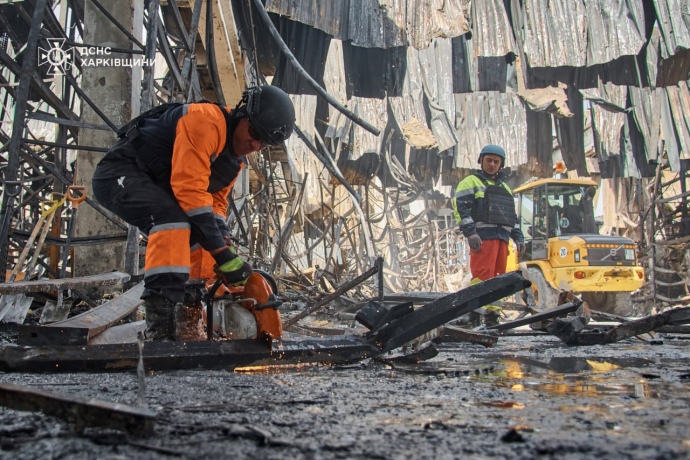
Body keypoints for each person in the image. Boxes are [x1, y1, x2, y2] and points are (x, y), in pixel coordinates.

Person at [92, 85, 295, 340]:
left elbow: (215, 203)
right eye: (254, 133)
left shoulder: (235, 162)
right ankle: (160, 331)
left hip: (159, 186)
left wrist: (223, 242)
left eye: (262, 143)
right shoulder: (205, 121)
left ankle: (189, 320)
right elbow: (189, 190)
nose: (254, 145)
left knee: (201, 241)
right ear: (242, 114)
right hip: (120, 173)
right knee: (172, 223)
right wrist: (223, 254)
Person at [452, 144, 525, 327]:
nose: (492, 164)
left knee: (498, 279)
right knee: (482, 276)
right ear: (481, 161)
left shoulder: (505, 189)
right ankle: (474, 316)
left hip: (502, 239)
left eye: (496, 161)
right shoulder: (470, 182)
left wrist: (519, 237)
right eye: (489, 160)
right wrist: (471, 233)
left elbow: (512, 217)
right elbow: (461, 209)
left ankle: (492, 318)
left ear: (501, 164)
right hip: (483, 238)